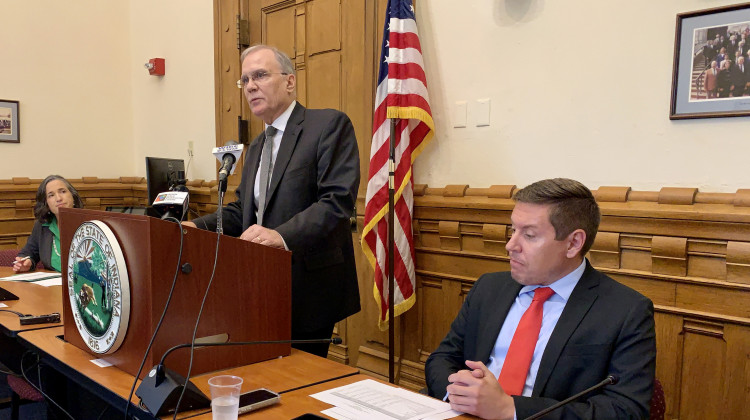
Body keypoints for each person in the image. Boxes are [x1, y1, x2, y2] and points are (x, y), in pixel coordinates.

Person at [425, 178, 656, 419]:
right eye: (513, 230)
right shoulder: (489, 287)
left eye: (530, 235)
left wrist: (509, 409)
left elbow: (625, 410)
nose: (511, 245)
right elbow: (443, 358)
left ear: (573, 243)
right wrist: (457, 394)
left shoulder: (626, 311)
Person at [184, 45, 360, 358]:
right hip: (259, 284)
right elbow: (244, 212)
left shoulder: (328, 126)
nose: (251, 85)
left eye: (260, 75)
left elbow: (337, 201)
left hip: (308, 287)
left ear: (290, 82)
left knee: (299, 379)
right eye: (245, 80)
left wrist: (281, 236)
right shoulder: (256, 146)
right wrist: (194, 226)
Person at [14, 175, 83, 272]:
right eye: (51, 195)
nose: (58, 198)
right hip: (53, 285)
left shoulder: (90, 224)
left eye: (62, 191)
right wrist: (26, 262)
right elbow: (29, 253)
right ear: (46, 203)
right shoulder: (42, 226)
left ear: (73, 196)